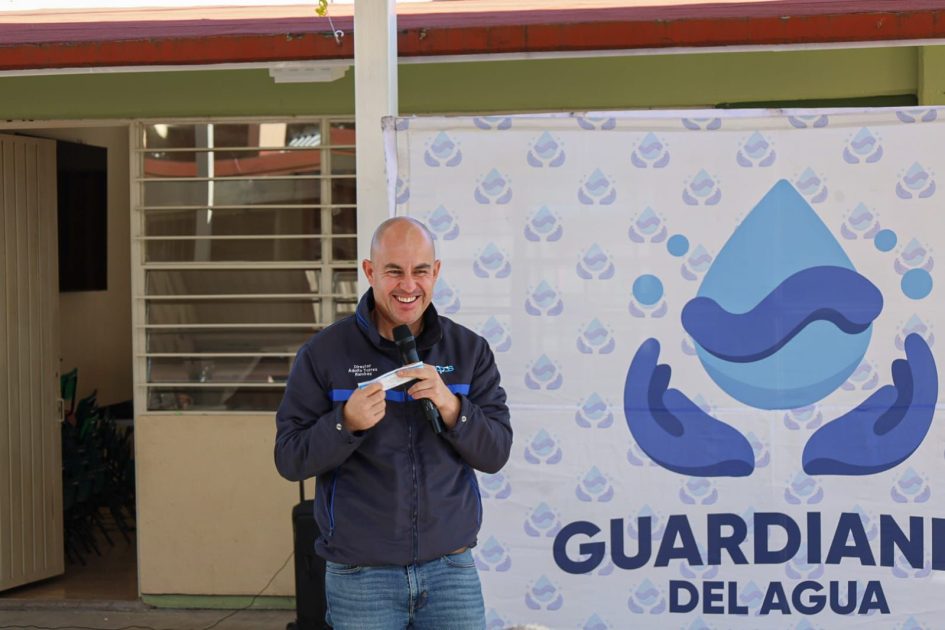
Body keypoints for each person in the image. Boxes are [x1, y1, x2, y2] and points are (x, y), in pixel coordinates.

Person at [274, 216, 512, 630]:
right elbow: (290, 459)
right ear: (370, 272)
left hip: (450, 571)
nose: (408, 285)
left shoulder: (469, 350)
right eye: (394, 271)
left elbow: (495, 454)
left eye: (420, 271)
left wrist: (452, 407)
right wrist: (345, 423)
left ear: (436, 272)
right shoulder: (324, 353)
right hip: (361, 577)